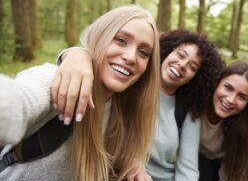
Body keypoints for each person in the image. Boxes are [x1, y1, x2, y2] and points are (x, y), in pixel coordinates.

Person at [0, 5, 161, 181]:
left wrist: (131, 165)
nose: (130, 57)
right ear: (100, 37)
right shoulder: (57, 81)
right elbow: (18, 102)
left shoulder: (122, 112)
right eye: (121, 40)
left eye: (143, 52)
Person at [51, 29, 225, 181]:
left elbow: (188, 169)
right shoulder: (130, 83)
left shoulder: (186, 111)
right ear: (168, 50)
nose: (182, 65)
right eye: (180, 55)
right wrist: (75, 53)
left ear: (196, 77)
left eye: (192, 67)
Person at [199, 61, 248, 181]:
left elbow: (237, 173)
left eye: (242, 97)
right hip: (191, 160)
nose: (230, 99)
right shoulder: (197, 103)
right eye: (228, 88)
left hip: (223, 166)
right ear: (217, 82)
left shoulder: (244, 127)